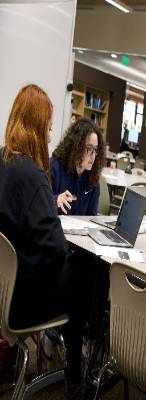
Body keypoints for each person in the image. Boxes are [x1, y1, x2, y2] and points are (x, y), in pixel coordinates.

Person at [0, 84, 89, 399]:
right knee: (83, 274)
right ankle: (77, 380)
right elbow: (53, 253)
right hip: (22, 305)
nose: (50, 136)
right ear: (37, 128)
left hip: (2, 291)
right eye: (48, 128)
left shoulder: (4, 161)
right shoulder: (35, 176)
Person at [51, 117, 105, 215]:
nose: (93, 155)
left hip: (81, 230)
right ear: (76, 146)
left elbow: (91, 217)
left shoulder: (93, 179)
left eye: (95, 150)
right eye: (89, 148)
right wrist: (55, 200)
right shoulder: (55, 167)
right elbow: (40, 204)